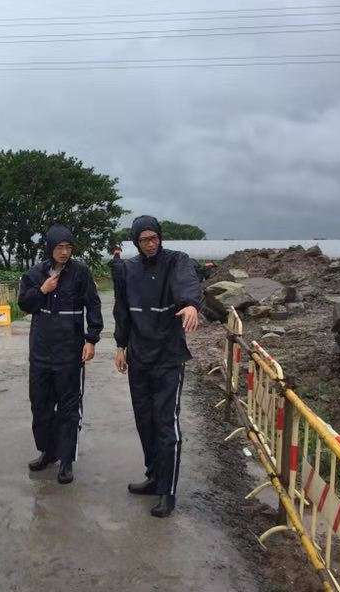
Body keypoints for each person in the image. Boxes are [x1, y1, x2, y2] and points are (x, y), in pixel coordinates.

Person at [112, 215, 202, 517]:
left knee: (166, 422)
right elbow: (122, 310)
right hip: (139, 357)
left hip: (168, 356)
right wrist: (120, 346)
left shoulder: (177, 261)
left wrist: (190, 304)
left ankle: (167, 491)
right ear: (136, 242)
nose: (150, 244)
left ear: (160, 237)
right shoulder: (128, 269)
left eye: (154, 238)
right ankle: (153, 476)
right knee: (145, 420)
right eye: (144, 240)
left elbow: (187, 284)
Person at [18, 225, 103, 484]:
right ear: (50, 248)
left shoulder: (80, 273)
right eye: (59, 247)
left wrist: (91, 339)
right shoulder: (35, 274)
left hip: (69, 352)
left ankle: (66, 460)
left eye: (68, 247)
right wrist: (42, 290)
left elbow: (93, 304)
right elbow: (24, 304)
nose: (64, 252)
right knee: (40, 404)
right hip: (41, 351)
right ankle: (48, 451)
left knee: (68, 408)